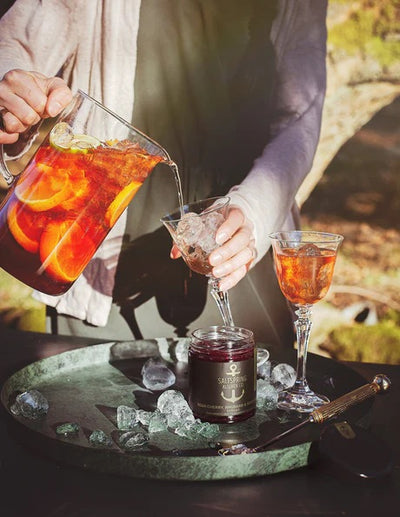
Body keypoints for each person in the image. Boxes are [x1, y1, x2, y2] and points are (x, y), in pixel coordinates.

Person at [0, 0, 327, 347]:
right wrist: (14, 101)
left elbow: (301, 118)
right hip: (100, 263)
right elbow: (14, 49)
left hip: (242, 249)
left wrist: (254, 210)